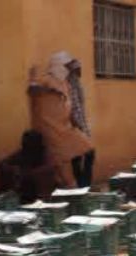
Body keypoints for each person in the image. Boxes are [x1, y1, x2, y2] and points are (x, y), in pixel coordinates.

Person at [28, 51, 94, 188]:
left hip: (66, 128)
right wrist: (50, 91)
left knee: (89, 150)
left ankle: (84, 186)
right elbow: (32, 90)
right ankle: (75, 191)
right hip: (51, 130)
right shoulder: (46, 79)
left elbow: (69, 105)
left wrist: (77, 124)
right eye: (67, 66)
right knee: (63, 168)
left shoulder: (65, 83)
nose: (69, 69)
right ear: (59, 65)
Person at [0, 130, 58, 202]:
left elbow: (50, 168)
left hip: (39, 192)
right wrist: (15, 170)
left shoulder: (44, 154)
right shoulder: (22, 153)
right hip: (20, 189)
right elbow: (2, 164)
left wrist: (29, 173)